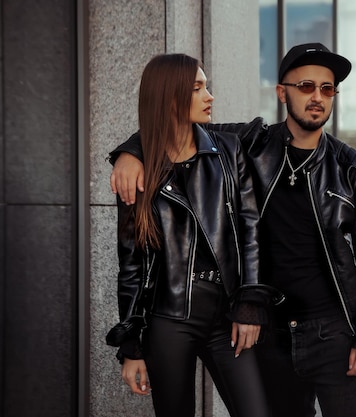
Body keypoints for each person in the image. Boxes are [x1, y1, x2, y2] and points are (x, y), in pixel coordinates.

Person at [109, 43, 356, 417]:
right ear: (282, 92)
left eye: (328, 89)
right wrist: (131, 152)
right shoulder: (250, 145)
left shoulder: (354, 167)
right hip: (270, 330)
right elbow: (172, 129)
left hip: (332, 330)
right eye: (306, 86)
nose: (318, 97)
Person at [105, 53, 281, 417]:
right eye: (198, 88)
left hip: (227, 314)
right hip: (168, 320)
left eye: (207, 86)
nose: (210, 96)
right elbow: (132, 266)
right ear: (171, 98)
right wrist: (132, 347)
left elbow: (250, 233)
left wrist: (249, 305)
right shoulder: (138, 173)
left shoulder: (229, 151)